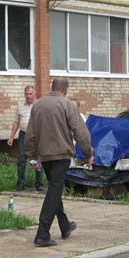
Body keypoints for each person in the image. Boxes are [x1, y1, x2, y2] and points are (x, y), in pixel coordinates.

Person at [25, 77, 93, 247]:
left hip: (44, 156)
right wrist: (88, 153)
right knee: (54, 191)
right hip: (61, 155)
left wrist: (32, 155)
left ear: (52, 87)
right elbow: (80, 132)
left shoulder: (38, 105)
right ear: (65, 90)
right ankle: (42, 234)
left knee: (55, 189)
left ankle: (65, 226)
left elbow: (30, 133)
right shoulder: (67, 105)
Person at [7, 85, 44, 192]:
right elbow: (16, 122)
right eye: (26, 94)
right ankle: (21, 184)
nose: (28, 96)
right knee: (21, 160)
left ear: (34, 94)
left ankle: (39, 184)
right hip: (23, 135)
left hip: (36, 136)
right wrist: (11, 137)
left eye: (30, 94)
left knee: (37, 160)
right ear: (24, 94)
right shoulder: (20, 106)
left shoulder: (39, 105)